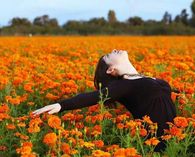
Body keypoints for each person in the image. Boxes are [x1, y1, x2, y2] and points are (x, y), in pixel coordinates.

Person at [32, 49, 177, 152]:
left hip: (175, 138)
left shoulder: (142, 78)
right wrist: (61, 105)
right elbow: (92, 97)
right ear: (110, 70)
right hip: (157, 144)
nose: (114, 49)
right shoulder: (124, 85)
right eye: (109, 55)